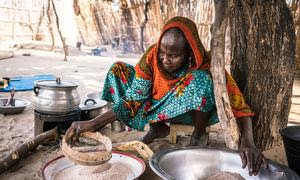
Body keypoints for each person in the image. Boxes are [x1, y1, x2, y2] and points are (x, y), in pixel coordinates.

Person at [67, 16, 267, 175]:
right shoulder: (153, 56)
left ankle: (198, 134)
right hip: (153, 104)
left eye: (173, 55)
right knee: (118, 70)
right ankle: (158, 128)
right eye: (163, 52)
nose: (165, 59)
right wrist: (92, 124)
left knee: (201, 80)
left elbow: (238, 104)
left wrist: (248, 142)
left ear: (189, 53)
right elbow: (134, 98)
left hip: (190, 112)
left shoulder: (205, 62)